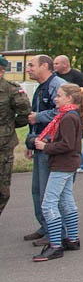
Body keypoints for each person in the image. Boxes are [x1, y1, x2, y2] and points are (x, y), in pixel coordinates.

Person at [30, 83, 83, 261]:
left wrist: (45, 146)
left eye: (59, 95)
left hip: (62, 165)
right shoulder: (69, 116)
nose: (55, 98)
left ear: (69, 98)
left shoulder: (67, 118)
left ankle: (55, 244)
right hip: (67, 164)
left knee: (48, 204)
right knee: (66, 201)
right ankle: (72, 238)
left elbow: (67, 144)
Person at [24, 55, 67, 245]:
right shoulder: (41, 87)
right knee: (36, 190)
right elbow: (33, 118)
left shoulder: (57, 85)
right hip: (39, 143)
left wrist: (39, 117)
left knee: (47, 192)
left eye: (31, 65)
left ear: (44, 66)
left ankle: (57, 232)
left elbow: (63, 111)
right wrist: (30, 142)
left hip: (51, 146)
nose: (28, 69)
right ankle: (45, 226)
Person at [0, 55, 32, 219]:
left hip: (3, 146)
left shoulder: (11, 89)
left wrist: (8, 127)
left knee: (2, 188)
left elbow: (25, 113)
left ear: (1, 71)